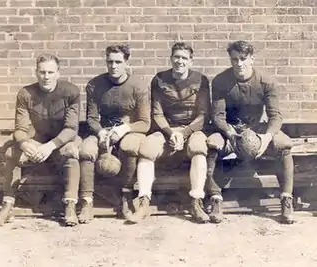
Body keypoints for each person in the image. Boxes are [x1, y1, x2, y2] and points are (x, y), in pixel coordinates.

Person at [206, 40, 294, 224]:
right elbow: (218, 115)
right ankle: (215, 199)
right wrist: (229, 132)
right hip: (230, 130)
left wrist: (266, 137)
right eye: (234, 59)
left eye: (243, 59)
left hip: (256, 129)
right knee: (213, 145)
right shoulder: (221, 80)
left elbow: (275, 116)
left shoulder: (266, 81)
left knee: (284, 145)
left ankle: (287, 198)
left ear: (252, 59)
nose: (239, 64)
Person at [0, 53, 82, 227]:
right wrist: (24, 143)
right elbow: (21, 128)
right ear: (36, 72)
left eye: (50, 72)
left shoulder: (71, 92)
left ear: (58, 73)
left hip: (61, 142)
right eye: (42, 72)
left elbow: (71, 129)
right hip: (38, 141)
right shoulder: (26, 93)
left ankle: (70, 205)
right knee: (11, 153)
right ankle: (7, 205)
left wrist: (50, 146)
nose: (46, 77)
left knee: (71, 152)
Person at [126, 42, 211, 224]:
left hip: (191, 129)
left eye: (184, 58)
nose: (180, 61)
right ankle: (143, 201)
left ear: (191, 61)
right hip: (167, 129)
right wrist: (170, 132)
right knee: (147, 148)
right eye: (176, 57)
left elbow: (203, 115)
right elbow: (157, 112)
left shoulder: (201, 80)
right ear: (171, 58)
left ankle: (196, 201)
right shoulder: (159, 79)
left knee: (198, 147)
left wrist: (185, 132)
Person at [78, 44, 150, 222]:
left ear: (126, 62)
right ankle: (87, 202)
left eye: (118, 62)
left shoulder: (138, 86)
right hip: (105, 130)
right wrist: (100, 131)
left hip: (130, 129)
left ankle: (126, 196)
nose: (114, 66)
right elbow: (92, 118)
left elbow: (145, 123)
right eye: (110, 62)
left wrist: (124, 129)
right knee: (86, 150)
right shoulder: (95, 85)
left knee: (129, 147)